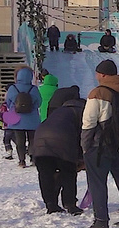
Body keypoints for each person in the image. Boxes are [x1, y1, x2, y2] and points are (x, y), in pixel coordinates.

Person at [80, 59, 119, 228]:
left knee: (97, 182)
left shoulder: (99, 93)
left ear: (102, 74)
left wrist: (85, 145)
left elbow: (89, 121)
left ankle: (101, 220)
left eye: (98, 73)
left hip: (99, 146)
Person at [31, 86, 86, 215]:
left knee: (45, 174)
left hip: (40, 139)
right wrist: (80, 158)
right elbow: (83, 134)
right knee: (68, 172)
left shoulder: (59, 111)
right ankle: (70, 204)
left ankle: (51, 204)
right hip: (63, 139)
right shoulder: (81, 110)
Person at [4, 66, 43, 168]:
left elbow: (8, 102)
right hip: (32, 119)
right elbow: (39, 103)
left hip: (16, 119)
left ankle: (21, 161)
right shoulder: (33, 89)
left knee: (20, 141)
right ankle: (33, 158)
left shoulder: (13, 88)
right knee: (32, 140)